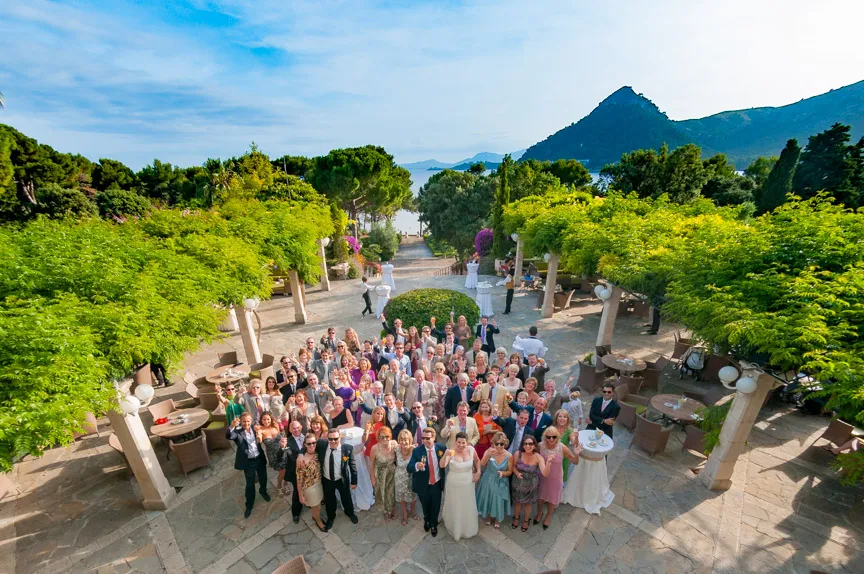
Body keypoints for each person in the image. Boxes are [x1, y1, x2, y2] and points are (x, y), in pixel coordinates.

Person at [535, 425, 583, 529]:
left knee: (553, 499)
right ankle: (539, 513)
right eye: (548, 437)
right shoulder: (540, 446)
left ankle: (548, 515)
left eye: (554, 437)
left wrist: (577, 454)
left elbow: (575, 461)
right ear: (545, 437)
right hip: (542, 477)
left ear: (557, 437)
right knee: (540, 497)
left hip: (556, 479)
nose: (551, 439)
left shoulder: (562, 448)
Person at [226, 412, 271, 519]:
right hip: (248, 461)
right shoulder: (237, 432)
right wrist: (232, 426)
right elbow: (229, 436)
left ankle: (263, 491)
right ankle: (249, 504)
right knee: (250, 484)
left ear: (251, 421)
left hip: (259, 458)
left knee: (263, 477)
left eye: (248, 421)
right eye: (244, 421)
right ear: (241, 422)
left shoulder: (255, 429)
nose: (246, 423)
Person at [440, 432, 481, 540]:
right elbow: (442, 465)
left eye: (463, 443)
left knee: (467, 504)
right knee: (456, 505)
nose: (461, 445)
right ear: (455, 441)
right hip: (454, 483)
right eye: (459, 442)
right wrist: (445, 455)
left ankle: (467, 527)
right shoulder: (451, 452)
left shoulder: (471, 450)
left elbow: (477, 461)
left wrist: (478, 472)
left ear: (467, 442)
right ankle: (455, 527)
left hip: (468, 483)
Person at [408, 427, 447, 537]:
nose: (425, 440)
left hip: (436, 484)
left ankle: (433, 524)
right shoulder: (417, 451)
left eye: (427, 438)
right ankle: (427, 520)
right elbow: (409, 467)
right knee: (425, 505)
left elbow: (447, 461)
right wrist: (416, 465)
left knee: (436, 506)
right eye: (423, 438)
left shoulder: (441, 448)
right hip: (423, 484)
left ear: (434, 438)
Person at [317, 428, 359, 528]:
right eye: (330, 439)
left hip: (342, 480)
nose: (333, 441)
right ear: (327, 438)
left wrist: (354, 481)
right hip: (327, 480)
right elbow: (307, 445)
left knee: (346, 498)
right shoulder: (322, 445)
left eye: (336, 439)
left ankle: (350, 513)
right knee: (329, 500)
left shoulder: (347, 449)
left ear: (340, 438)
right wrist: (301, 454)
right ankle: (331, 517)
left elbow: (353, 466)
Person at [509, 434, 549, 532]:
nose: (528, 446)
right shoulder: (518, 453)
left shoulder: (538, 457)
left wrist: (550, 463)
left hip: (531, 485)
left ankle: (526, 521)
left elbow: (545, 473)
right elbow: (513, 466)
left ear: (534, 445)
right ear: (522, 445)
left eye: (530, 444)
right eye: (525, 444)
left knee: (528, 504)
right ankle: (517, 518)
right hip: (517, 483)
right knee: (517, 502)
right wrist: (517, 473)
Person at [476, 431, 512, 528]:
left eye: (502, 444)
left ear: (505, 444)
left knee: (498, 500)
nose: (499, 446)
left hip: (501, 481)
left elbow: (510, 471)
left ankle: (497, 518)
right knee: (489, 499)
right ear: (493, 443)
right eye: (497, 444)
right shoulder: (490, 452)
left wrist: (503, 473)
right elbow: (481, 464)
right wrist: (486, 454)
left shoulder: (509, 456)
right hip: (488, 480)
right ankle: (488, 516)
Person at [296, 432, 329, 531]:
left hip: (319, 483)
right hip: (310, 487)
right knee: (317, 507)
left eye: (314, 443)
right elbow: (299, 479)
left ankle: (315, 516)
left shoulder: (317, 452)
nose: (312, 445)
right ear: (305, 444)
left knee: (318, 504)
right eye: (309, 444)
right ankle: (318, 520)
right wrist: (300, 495)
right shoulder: (301, 460)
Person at [280, 421, 306, 523]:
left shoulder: (308, 436)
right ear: (290, 430)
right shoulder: (288, 442)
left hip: (310, 470)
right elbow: (281, 457)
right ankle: (296, 512)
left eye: (297, 427)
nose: (296, 430)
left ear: (301, 427)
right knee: (297, 491)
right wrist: (282, 448)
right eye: (293, 428)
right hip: (296, 472)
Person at [370, 426, 397, 520]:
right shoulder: (374, 448)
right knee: (383, 494)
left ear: (390, 436)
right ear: (378, 437)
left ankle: (393, 509)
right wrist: (373, 478)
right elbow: (371, 464)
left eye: (387, 436)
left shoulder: (394, 444)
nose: (385, 439)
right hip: (380, 474)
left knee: (392, 492)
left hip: (392, 472)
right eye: (382, 437)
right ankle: (386, 511)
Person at [394, 429, 418, 525]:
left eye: (406, 439)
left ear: (410, 440)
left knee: (412, 496)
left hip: (411, 478)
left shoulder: (414, 450)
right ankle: (404, 514)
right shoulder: (396, 448)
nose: (404, 442)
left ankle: (412, 510)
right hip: (399, 478)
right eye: (401, 439)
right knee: (402, 497)